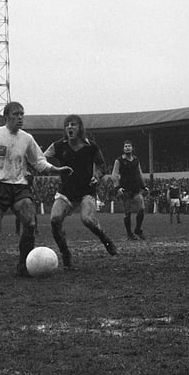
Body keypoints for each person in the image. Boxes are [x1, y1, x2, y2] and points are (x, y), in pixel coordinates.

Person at [0, 101, 73, 277]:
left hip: (19, 187)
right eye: (16, 114)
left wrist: (56, 170)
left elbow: (38, 161)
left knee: (30, 223)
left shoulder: (27, 138)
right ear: (6, 117)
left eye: (22, 114)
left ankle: (23, 266)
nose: (20, 118)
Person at [44, 114, 117, 269]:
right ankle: (65, 253)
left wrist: (97, 176)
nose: (70, 127)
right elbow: (41, 159)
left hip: (86, 191)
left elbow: (101, 165)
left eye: (73, 124)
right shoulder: (58, 146)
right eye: (67, 125)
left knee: (88, 220)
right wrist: (51, 168)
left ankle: (105, 239)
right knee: (54, 220)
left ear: (80, 128)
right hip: (66, 192)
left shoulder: (91, 146)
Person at [112, 140, 148, 240]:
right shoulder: (119, 160)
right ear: (123, 149)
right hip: (125, 190)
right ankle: (129, 234)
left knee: (141, 209)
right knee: (127, 212)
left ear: (132, 148)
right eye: (125, 146)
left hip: (136, 189)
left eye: (129, 146)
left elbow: (139, 173)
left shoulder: (136, 160)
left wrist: (144, 186)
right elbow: (114, 175)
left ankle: (137, 229)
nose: (127, 148)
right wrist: (117, 187)